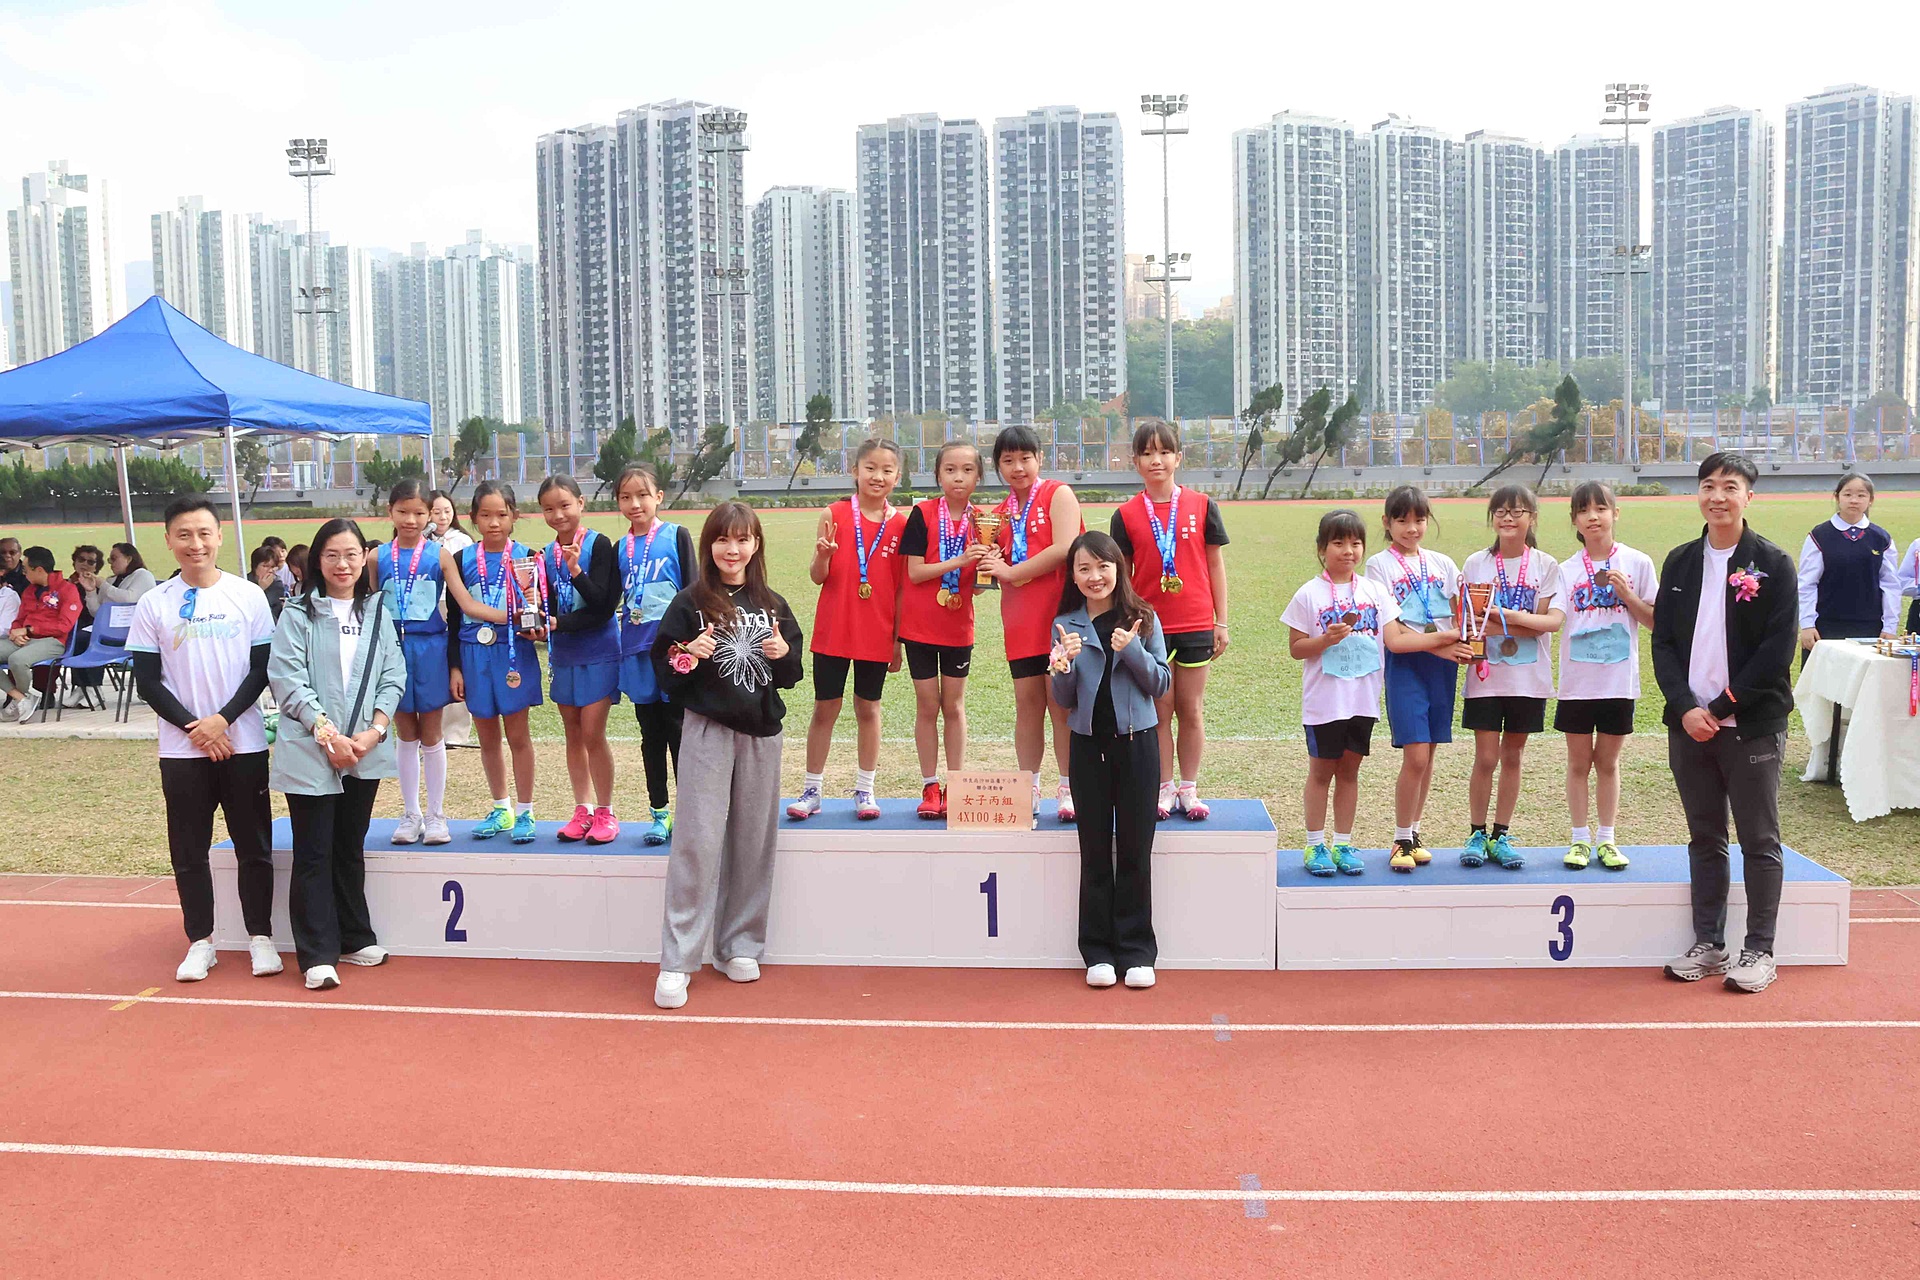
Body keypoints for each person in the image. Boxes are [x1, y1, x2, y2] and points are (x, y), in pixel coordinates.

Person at [1652, 452, 1797, 994]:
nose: (1718, 497)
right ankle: (1709, 943)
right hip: (1689, 726)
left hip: (1750, 724)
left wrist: (1719, 708)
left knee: (1758, 838)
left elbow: (1776, 652)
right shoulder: (1680, 561)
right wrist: (1686, 707)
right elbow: (1663, 643)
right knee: (1705, 836)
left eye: (1729, 487)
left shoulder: (1773, 564)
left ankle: (1759, 950)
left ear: (1748, 496)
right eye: (1708, 486)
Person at [650, 502, 804, 1010]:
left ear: (756, 545)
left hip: (762, 734)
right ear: (709, 545)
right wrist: (688, 654)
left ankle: (739, 944)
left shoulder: (773, 604)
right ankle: (678, 959)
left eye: (742, 539)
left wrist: (784, 656)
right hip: (706, 731)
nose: (732, 549)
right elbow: (665, 670)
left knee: (753, 840)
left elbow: (791, 674)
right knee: (696, 841)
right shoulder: (689, 603)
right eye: (722, 539)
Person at [125, 496, 278, 983]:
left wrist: (224, 720)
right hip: (182, 749)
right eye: (184, 535)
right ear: (168, 541)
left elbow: (261, 669)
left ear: (219, 536)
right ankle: (201, 942)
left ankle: (260, 937)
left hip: (243, 742)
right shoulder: (154, 603)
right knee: (189, 850)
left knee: (254, 845)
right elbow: (147, 681)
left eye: (204, 533)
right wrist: (198, 729)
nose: (196, 544)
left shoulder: (247, 595)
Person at [268, 520, 406, 991]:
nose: (342, 564)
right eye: (331, 555)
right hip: (311, 749)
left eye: (351, 554)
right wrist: (327, 734)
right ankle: (316, 953)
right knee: (313, 850)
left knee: (350, 845)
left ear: (364, 557)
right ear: (316, 561)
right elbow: (287, 678)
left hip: (364, 749)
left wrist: (374, 732)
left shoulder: (378, 611)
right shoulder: (297, 613)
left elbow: (393, 674)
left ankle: (353, 936)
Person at [1050, 532, 1172, 989]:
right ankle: (1097, 951)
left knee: (1136, 851)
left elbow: (1160, 684)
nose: (1094, 576)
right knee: (1095, 851)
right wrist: (1062, 666)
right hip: (1087, 749)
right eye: (1084, 568)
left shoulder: (1142, 618)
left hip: (1138, 747)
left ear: (1119, 569)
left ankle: (1137, 952)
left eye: (1103, 566)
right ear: (1073, 576)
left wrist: (1132, 650)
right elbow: (1064, 700)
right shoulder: (1065, 624)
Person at [1109, 420, 1231, 821]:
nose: (1156, 460)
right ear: (1135, 462)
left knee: (1190, 709)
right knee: (1159, 712)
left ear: (1179, 458)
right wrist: (1126, 626)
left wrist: (1221, 621)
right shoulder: (1125, 515)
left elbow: (1215, 564)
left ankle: (1189, 788)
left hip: (1195, 622)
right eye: (1146, 453)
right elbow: (1122, 576)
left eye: (1164, 452)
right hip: (1149, 628)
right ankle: (1163, 787)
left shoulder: (1202, 505)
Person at [789, 438, 908, 821]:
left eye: (887, 470)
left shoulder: (900, 523)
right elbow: (817, 576)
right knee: (826, 707)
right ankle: (812, 789)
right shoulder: (835, 513)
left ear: (898, 477)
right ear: (854, 471)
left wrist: (897, 641)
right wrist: (823, 556)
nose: (878, 476)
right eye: (870, 468)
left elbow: (901, 589)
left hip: (877, 632)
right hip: (834, 629)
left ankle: (865, 789)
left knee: (868, 708)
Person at [1283, 510, 1400, 877]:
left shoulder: (1375, 591)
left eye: (1355, 543)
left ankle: (1344, 843)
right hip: (1325, 702)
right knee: (1321, 772)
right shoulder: (1308, 594)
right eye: (1338, 543)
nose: (1348, 550)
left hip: (1362, 700)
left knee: (1350, 771)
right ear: (1322, 548)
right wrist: (1325, 640)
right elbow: (1296, 648)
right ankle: (1315, 844)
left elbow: (1395, 637)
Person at [1458, 485, 1565, 870]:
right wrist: (1520, 623)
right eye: (1501, 511)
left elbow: (1549, 623)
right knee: (1486, 757)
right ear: (1492, 518)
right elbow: (1470, 621)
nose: (1508, 517)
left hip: (1528, 679)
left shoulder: (1545, 565)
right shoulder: (1476, 563)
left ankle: (1501, 835)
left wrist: (1504, 619)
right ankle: (1476, 834)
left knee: (1513, 756)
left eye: (1517, 511)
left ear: (1532, 518)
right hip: (1486, 676)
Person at [982, 425, 1085, 820]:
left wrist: (1011, 572)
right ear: (998, 466)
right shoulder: (998, 515)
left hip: (1061, 620)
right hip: (1020, 622)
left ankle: (1069, 788)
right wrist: (986, 565)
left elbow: (1064, 548)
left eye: (1025, 458)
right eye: (1008, 460)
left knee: (1061, 706)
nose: (1018, 467)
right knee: (1027, 707)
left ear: (1040, 458)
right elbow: (992, 571)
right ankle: (1029, 787)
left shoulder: (1058, 494)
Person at [1366, 486, 1470, 872]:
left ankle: (1414, 832)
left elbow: (1463, 612)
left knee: (1429, 756)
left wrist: (1467, 639)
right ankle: (1400, 839)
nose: (1412, 528)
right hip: (1406, 665)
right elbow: (1393, 634)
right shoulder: (1378, 566)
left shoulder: (1442, 563)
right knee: (1416, 755)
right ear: (1386, 522)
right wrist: (1444, 646)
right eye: (1402, 520)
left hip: (1442, 668)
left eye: (1419, 520)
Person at [1556, 482, 1658, 871]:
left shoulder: (1638, 563)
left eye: (1600, 508)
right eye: (1584, 511)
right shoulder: (1564, 570)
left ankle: (1607, 839)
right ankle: (1579, 839)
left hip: (1618, 680)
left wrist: (1628, 596)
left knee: (1608, 763)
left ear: (1616, 513)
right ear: (1574, 520)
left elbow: (1656, 621)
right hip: (1578, 682)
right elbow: (1554, 620)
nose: (1593, 517)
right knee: (1578, 763)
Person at [441, 481, 542, 842]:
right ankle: (501, 807)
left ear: (515, 516)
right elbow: (454, 619)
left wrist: (535, 626)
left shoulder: (528, 557)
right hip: (473, 654)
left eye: (502, 514)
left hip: (513, 653)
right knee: (487, 737)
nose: (494, 522)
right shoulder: (461, 560)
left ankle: (526, 811)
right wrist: (455, 666)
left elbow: (537, 607)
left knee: (518, 735)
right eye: (485, 515)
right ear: (473, 518)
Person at [897, 440, 989, 818]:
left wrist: (986, 567)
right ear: (938, 475)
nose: (958, 477)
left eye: (967, 470)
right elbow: (915, 572)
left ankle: (956, 783)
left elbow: (979, 588)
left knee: (953, 706)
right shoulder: (921, 514)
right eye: (950, 470)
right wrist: (959, 560)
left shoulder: (983, 521)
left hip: (957, 629)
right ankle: (930, 785)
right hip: (919, 627)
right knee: (927, 705)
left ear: (979, 477)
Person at [614, 463, 697, 844]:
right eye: (626, 497)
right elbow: (608, 599)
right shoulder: (620, 548)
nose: (635, 504)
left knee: (680, 732)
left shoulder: (677, 536)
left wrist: (692, 646)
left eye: (642, 495)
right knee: (650, 736)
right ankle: (659, 813)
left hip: (675, 654)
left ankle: (688, 815)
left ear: (659, 497)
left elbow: (694, 590)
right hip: (636, 653)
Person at [539, 474, 623, 843]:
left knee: (592, 733)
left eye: (564, 505)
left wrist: (575, 571)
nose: (558, 515)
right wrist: (539, 619)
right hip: (565, 654)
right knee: (572, 733)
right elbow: (549, 605)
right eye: (548, 509)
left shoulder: (599, 545)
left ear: (581, 503)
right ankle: (582, 809)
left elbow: (604, 606)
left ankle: (605, 811)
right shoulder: (545, 554)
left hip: (599, 650)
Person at [376, 477, 453, 845]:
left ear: (431, 515)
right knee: (406, 733)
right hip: (393, 652)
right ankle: (410, 814)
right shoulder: (376, 557)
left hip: (431, 650)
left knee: (432, 732)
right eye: (403, 511)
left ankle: (437, 816)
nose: (411, 519)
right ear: (389, 511)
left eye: (419, 513)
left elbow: (462, 604)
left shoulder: (440, 555)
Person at [0, 546, 83, 723]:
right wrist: (15, 631)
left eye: (25, 569)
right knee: (14, 655)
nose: (23, 573)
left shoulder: (67, 589)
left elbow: (63, 625)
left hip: (53, 641)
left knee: (17, 660)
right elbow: (19, 618)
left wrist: (30, 630)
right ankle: (21, 699)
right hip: (25, 639)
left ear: (38, 570)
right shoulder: (30, 591)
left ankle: (22, 699)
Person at [65, 545, 107, 705]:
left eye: (91, 562)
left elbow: (97, 612)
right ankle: (80, 687)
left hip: (96, 626)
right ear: (74, 562)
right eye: (81, 559)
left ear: (96, 567)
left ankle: (94, 688)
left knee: (83, 639)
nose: (85, 564)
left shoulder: (100, 585)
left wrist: (90, 590)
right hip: (73, 626)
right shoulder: (67, 584)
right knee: (71, 637)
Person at [429, 490, 473, 555]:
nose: (443, 517)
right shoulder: (422, 541)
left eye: (447, 511)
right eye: (437, 513)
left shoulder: (463, 540)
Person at [250, 546, 287, 621]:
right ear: (255, 567)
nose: (270, 570)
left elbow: (274, 617)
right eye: (265, 566)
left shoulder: (277, 585)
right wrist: (261, 589)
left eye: (273, 567)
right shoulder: (245, 583)